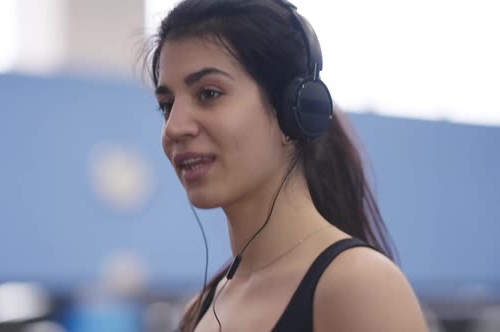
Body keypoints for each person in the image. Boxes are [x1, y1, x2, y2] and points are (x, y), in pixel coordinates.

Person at [144, 0, 428, 331]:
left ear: (292, 112)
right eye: (166, 106)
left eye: (208, 93)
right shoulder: (200, 309)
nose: (174, 128)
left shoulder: (359, 286)